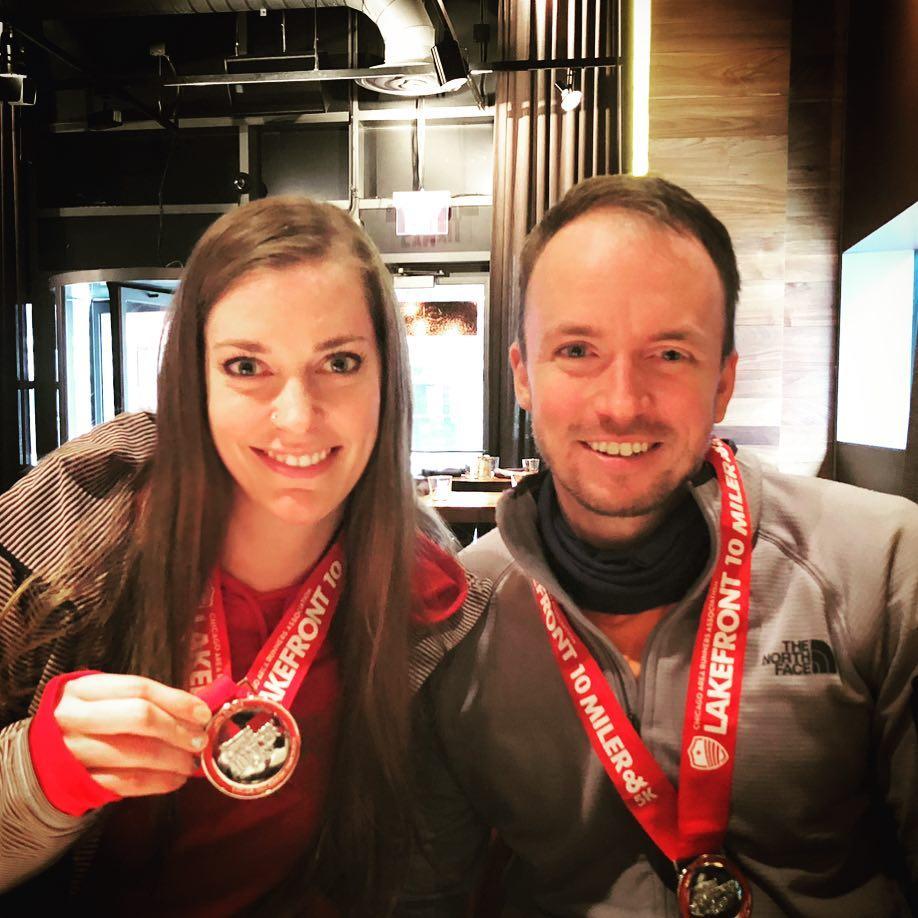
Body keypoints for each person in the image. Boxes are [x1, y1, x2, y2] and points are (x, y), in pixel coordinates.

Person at [398, 175, 918, 916]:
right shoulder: (456, 613)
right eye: (577, 349)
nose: (621, 404)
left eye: (669, 354)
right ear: (523, 376)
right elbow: (428, 893)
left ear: (723, 382)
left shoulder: (886, 566)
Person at [0, 196, 478, 916]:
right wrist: (38, 777)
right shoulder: (68, 526)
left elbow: (429, 870)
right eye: (247, 366)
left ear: (387, 376)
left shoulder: (427, 597)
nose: (298, 417)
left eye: (340, 362)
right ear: (195, 378)